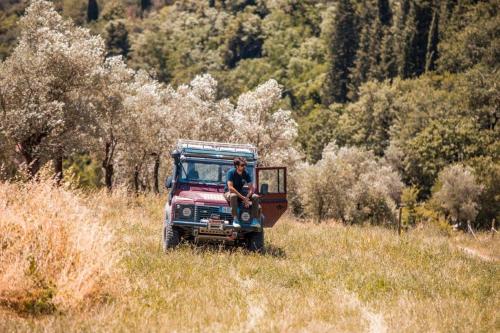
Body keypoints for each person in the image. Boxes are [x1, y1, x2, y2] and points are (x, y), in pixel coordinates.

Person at [223, 157, 261, 228]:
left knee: (255, 197)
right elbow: (231, 188)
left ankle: (254, 220)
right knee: (233, 196)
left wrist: (247, 197)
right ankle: (235, 219)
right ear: (237, 166)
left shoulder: (245, 173)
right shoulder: (231, 172)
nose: (244, 167)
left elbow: (251, 188)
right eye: (242, 165)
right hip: (228, 192)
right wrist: (243, 198)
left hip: (240, 192)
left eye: (245, 165)